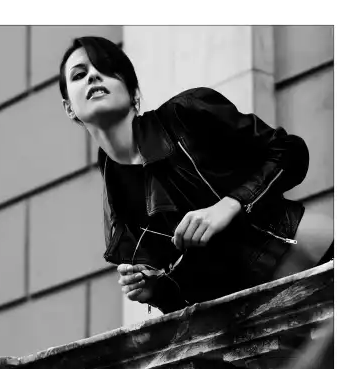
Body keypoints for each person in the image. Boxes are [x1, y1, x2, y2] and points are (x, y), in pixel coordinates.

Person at [58, 37, 333, 314]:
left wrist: (230, 205)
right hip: (261, 316)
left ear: (133, 92)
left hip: (318, 260)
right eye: (79, 75)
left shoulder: (186, 114)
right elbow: (192, 290)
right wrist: (155, 290)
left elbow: (289, 151)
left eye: (106, 68)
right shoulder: (118, 199)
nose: (93, 76)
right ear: (69, 108)